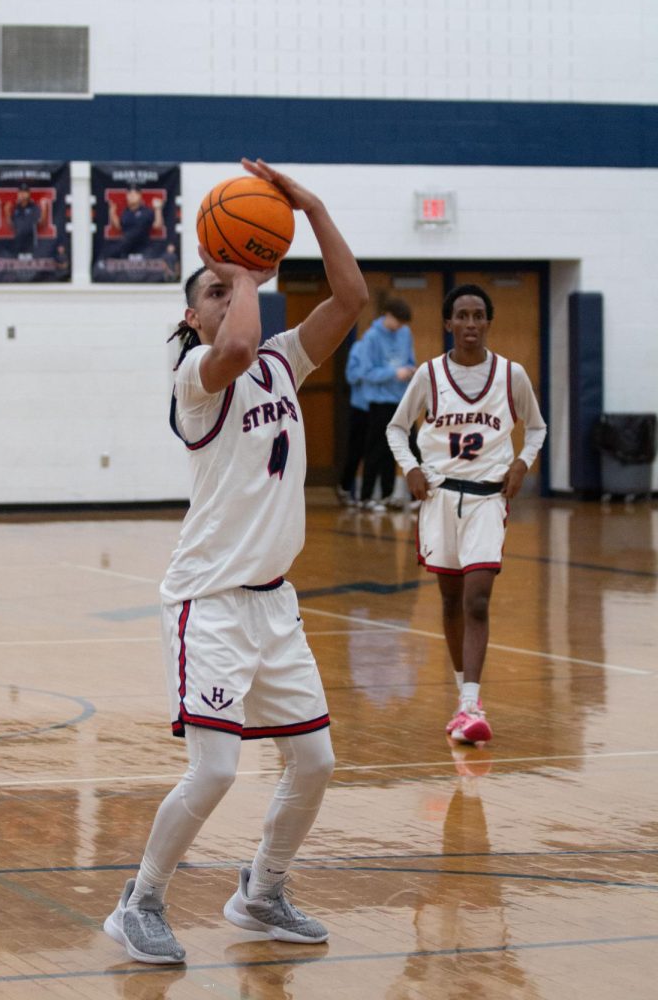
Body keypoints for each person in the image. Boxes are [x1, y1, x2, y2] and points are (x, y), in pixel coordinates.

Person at [103, 158, 368, 965]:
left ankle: (261, 891)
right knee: (215, 770)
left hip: (272, 604)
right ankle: (138, 901)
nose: (231, 296)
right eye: (213, 289)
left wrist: (313, 209)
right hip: (208, 601)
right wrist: (247, 267)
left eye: (236, 285)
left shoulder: (286, 360)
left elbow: (350, 300)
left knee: (315, 761)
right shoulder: (197, 377)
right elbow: (240, 335)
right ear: (191, 314)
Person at [387, 284, 547, 744]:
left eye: (479, 316)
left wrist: (521, 463)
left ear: (488, 323)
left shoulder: (511, 375)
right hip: (439, 500)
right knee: (451, 601)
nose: (472, 324)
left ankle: (471, 704)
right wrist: (411, 467)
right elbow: (396, 428)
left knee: (478, 599)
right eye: (463, 316)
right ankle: (463, 697)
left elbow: (536, 428)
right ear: (448, 323)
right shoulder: (429, 375)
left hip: (486, 501)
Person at [358, 298, 416, 510]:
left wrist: (410, 370)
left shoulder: (405, 333)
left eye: (403, 323)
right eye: (397, 322)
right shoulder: (371, 338)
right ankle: (366, 497)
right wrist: (393, 373)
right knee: (376, 449)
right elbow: (366, 372)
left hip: (400, 401)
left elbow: (410, 360)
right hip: (379, 401)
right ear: (387, 315)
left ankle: (389, 494)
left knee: (405, 447)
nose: (400, 327)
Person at [336, 333, 370, 504]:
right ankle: (345, 487)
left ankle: (368, 495)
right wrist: (369, 370)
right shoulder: (359, 348)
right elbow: (351, 376)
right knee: (356, 450)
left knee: (374, 452)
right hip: (360, 406)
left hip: (378, 406)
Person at [108, 185, 161, 257]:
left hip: (144, 250)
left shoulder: (147, 211)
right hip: (126, 250)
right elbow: (119, 226)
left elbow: (157, 225)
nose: (131, 196)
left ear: (139, 196)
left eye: (134, 194)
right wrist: (112, 212)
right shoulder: (125, 212)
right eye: (129, 194)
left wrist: (158, 209)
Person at [8, 184, 42, 257]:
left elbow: (39, 222)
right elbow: (12, 223)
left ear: (29, 194)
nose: (23, 194)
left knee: (29, 263)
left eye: (25, 192)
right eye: (21, 192)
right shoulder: (15, 208)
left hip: (30, 242)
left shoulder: (34, 207)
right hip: (18, 242)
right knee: (18, 264)